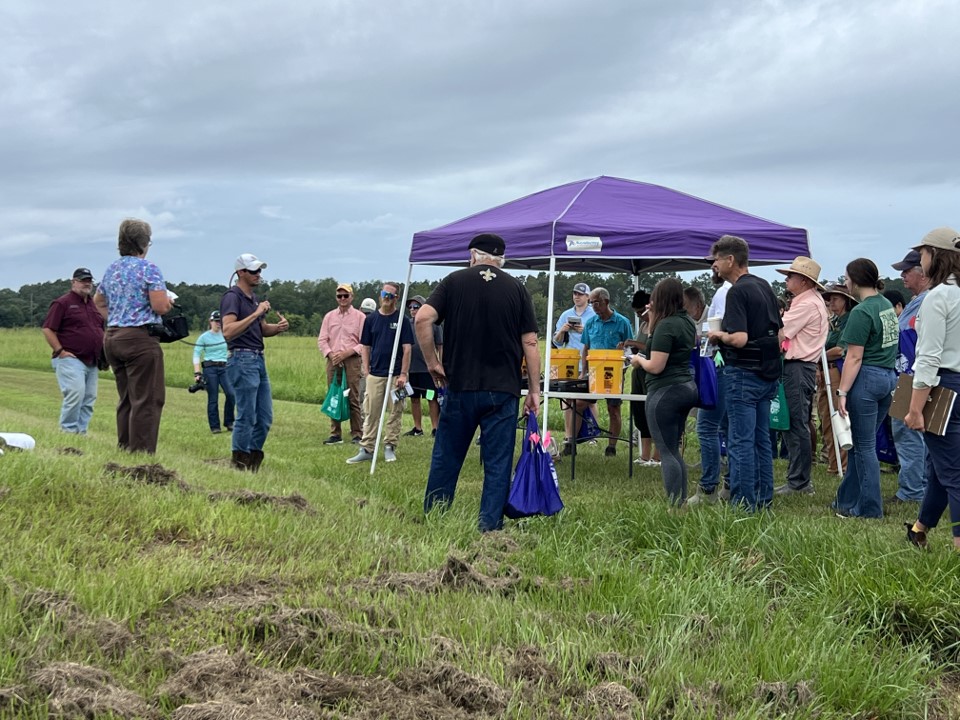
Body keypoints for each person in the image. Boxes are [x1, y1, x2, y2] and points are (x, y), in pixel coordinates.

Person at [418, 233, 540, 532]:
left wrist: (433, 363)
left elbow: (422, 319)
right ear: (501, 260)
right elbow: (531, 342)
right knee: (498, 462)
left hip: (460, 384)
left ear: (472, 255)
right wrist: (534, 390)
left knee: (447, 455)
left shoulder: (454, 281)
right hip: (503, 389)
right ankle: (489, 525)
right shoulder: (517, 288)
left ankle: (435, 516)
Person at [706, 235, 782, 512]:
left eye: (716, 259)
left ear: (730, 260)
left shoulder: (737, 291)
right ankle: (764, 500)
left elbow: (738, 338)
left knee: (740, 441)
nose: (713, 264)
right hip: (768, 373)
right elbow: (781, 333)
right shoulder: (764, 286)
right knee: (762, 440)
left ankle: (743, 503)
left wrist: (718, 335)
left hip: (743, 374)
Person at [94, 219, 172, 454]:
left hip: (113, 337)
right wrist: (169, 303)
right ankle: (141, 456)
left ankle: (125, 448)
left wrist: (116, 315)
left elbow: (98, 301)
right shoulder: (148, 268)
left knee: (127, 398)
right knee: (147, 399)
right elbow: (159, 306)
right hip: (139, 339)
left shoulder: (113, 268)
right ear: (144, 243)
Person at [904, 227, 960, 551]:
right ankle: (919, 530)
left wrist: (914, 408)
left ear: (935, 255)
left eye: (922, 253)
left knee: (952, 472)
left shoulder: (937, 296)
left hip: (942, 385)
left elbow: (928, 357)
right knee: (939, 466)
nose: (919, 259)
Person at [833, 258, 898, 519]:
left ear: (856, 280)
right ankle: (845, 500)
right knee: (863, 444)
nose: (845, 282)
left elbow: (854, 357)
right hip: (887, 378)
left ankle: (870, 508)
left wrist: (842, 392)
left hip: (867, 380)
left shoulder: (861, 312)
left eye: (846, 277)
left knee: (863, 446)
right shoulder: (886, 306)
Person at [628, 278, 698, 505]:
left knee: (667, 452)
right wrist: (652, 321)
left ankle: (675, 505)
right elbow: (655, 343)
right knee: (675, 450)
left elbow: (656, 365)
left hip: (665, 392)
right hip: (686, 388)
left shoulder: (666, 326)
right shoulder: (686, 321)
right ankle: (682, 500)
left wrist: (638, 360)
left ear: (661, 299)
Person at [220, 253, 289, 472]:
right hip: (241, 358)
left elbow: (261, 330)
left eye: (259, 270)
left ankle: (251, 459)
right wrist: (257, 313)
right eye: (253, 271)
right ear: (241, 273)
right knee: (247, 416)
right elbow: (228, 331)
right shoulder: (233, 297)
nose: (258, 274)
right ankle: (240, 463)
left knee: (265, 417)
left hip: (257, 358)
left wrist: (277, 328)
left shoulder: (254, 299)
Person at [774, 257, 829, 496]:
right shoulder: (809, 300)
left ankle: (799, 482)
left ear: (804, 281)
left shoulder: (806, 304)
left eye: (791, 276)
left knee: (795, 423)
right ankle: (799, 479)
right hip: (800, 367)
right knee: (797, 422)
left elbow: (781, 333)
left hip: (797, 366)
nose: (787, 279)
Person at [346, 281, 413, 464]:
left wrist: (403, 374)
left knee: (395, 412)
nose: (386, 298)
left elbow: (407, 349)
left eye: (390, 296)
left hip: (396, 375)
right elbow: (366, 346)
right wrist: (366, 370)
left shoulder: (402, 321)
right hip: (375, 373)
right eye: (384, 294)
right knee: (371, 411)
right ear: (380, 295)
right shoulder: (370, 320)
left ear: (396, 299)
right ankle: (367, 448)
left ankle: (390, 446)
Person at [41, 267, 105, 435]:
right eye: (83, 280)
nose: (86, 284)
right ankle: (68, 432)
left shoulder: (93, 304)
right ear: (73, 282)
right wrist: (60, 351)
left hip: (92, 359)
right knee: (75, 394)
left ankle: (81, 433)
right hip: (70, 357)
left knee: (89, 399)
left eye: (89, 280)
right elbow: (48, 329)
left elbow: (99, 328)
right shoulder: (62, 303)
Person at [889, 250, 930, 504]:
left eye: (907, 270)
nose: (902, 275)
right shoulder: (920, 300)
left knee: (907, 430)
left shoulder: (927, 301)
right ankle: (920, 486)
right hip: (911, 373)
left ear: (922, 272)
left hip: (912, 374)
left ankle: (912, 490)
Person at [689, 270, 733, 505]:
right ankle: (729, 483)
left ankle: (708, 489)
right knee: (727, 427)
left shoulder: (724, 292)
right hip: (731, 365)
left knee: (706, 427)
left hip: (721, 363)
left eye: (715, 261)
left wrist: (707, 338)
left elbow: (719, 332)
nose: (713, 267)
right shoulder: (738, 290)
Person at [577, 287, 634, 457]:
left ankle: (612, 446)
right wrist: (583, 372)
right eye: (592, 302)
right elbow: (586, 348)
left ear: (606, 302)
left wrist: (624, 351)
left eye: (596, 302)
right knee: (579, 403)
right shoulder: (591, 323)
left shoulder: (622, 322)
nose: (594, 306)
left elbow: (630, 347)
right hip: (593, 373)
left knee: (613, 408)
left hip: (613, 373)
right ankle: (572, 440)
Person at [816, 283, 857, 475]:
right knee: (826, 418)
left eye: (835, 299)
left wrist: (818, 355)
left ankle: (843, 464)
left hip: (837, 372)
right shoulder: (836, 321)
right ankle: (834, 463)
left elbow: (842, 350)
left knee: (837, 418)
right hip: (826, 370)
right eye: (829, 299)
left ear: (846, 301)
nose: (831, 302)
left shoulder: (850, 320)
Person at [318, 282, 365, 445]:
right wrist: (331, 354)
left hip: (352, 360)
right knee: (334, 395)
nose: (343, 298)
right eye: (340, 296)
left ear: (352, 297)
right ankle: (335, 433)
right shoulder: (329, 317)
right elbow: (322, 340)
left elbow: (364, 342)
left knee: (353, 396)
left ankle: (357, 433)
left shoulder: (360, 317)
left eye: (346, 295)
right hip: (333, 360)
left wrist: (347, 352)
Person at [553, 282, 596, 449]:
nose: (577, 296)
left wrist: (583, 331)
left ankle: (592, 434)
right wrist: (563, 330)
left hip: (588, 361)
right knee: (568, 399)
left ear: (587, 297)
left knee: (589, 401)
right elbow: (555, 341)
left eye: (580, 294)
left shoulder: (593, 314)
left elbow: (596, 336)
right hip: (569, 362)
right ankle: (568, 435)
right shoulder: (565, 314)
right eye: (575, 293)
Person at [624, 289, 660, 466]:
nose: (640, 316)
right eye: (637, 313)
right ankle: (645, 454)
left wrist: (634, 343)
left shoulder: (658, 324)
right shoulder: (643, 326)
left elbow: (653, 347)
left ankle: (658, 455)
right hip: (638, 371)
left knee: (654, 412)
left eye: (641, 312)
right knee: (640, 412)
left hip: (652, 372)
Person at [405, 295, 443, 438]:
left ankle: (435, 427)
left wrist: (440, 363)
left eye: (416, 307)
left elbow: (440, 345)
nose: (413, 310)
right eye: (411, 307)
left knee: (431, 397)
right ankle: (417, 428)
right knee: (414, 398)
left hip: (428, 368)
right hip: (412, 368)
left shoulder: (434, 324)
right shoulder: (407, 324)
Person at [192, 310, 235, 434]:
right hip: (210, 368)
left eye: (220, 321)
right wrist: (197, 373)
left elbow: (230, 349)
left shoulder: (226, 335)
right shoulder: (204, 337)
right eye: (216, 321)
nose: (218, 323)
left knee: (231, 394)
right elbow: (196, 354)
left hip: (224, 367)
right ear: (210, 322)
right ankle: (215, 426)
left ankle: (229, 421)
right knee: (213, 398)